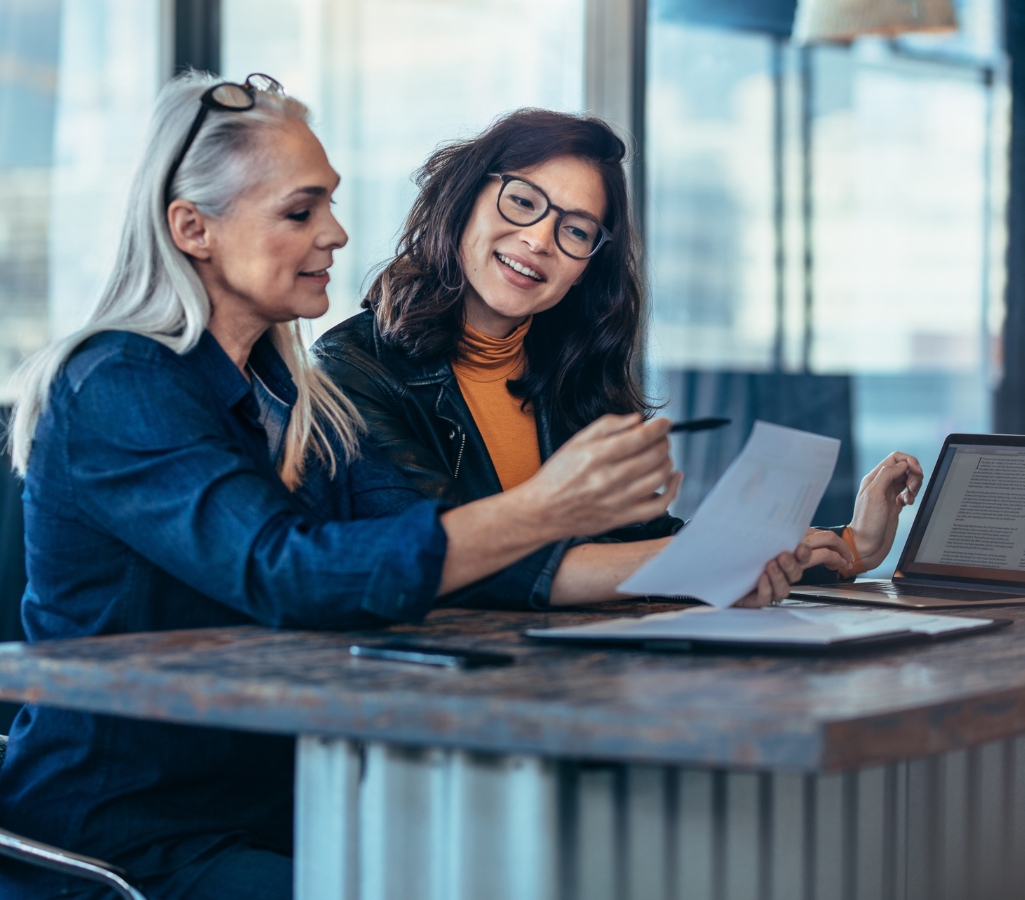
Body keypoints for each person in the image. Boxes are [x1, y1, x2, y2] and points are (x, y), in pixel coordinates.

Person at [0, 75, 831, 900]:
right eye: (301, 211)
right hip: (130, 835)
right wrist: (547, 507)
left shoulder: (293, 398)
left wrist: (716, 561)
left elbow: (441, 548)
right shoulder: (116, 384)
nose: (335, 233)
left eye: (329, 204)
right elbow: (286, 571)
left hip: (278, 801)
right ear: (194, 229)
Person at [314, 108, 924, 584]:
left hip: (581, 678)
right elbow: (444, 558)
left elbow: (641, 542)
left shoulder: (573, 368)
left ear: (588, 264)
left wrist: (850, 546)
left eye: (575, 230)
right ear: (464, 198)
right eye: (523, 201)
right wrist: (707, 564)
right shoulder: (351, 369)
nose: (538, 240)